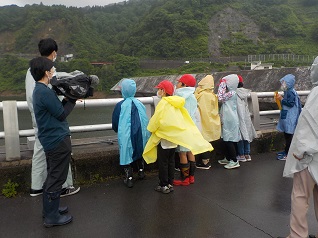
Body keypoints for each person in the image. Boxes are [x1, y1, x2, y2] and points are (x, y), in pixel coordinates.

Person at [25, 38, 80, 197]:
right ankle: (62, 186)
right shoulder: (47, 71)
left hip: (39, 118)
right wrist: (70, 98)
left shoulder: (32, 69)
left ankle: (37, 186)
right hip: (50, 119)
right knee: (60, 153)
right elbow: (53, 93)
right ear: (54, 52)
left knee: (40, 150)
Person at [143, 80, 213, 193]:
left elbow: (156, 120)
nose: (158, 91)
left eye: (159, 89)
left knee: (163, 163)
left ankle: (163, 185)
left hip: (164, 139)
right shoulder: (176, 102)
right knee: (171, 162)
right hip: (174, 140)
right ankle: (170, 183)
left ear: (163, 91)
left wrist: (150, 129)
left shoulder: (163, 103)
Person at [30, 56, 76, 227]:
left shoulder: (40, 90)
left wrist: (66, 98)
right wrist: (72, 98)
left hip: (50, 139)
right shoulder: (44, 92)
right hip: (57, 140)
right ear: (46, 72)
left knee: (52, 175)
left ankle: (51, 209)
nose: (54, 72)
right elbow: (61, 114)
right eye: (52, 69)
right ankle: (51, 217)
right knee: (57, 177)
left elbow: (55, 110)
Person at [277, 57, 318, 238]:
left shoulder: (316, 94)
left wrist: (300, 151)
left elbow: (308, 125)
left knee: (300, 195)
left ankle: (297, 235)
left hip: (310, 156)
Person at [112, 79, 150, 188]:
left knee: (126, 152)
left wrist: (117, 130)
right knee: (140, 150)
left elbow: (115, 122)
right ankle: (141, 171)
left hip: (127, 134)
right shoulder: (139, 103)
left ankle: (129, 177)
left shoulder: (120, 105)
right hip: (141, 134)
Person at [174, 74, 201, 186]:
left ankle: (184, 179)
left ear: (184, 85)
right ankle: (191, 177)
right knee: (190, 151)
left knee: (182, 153)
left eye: (179, 82)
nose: (177, 84)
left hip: (183, 127)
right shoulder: (193, 96)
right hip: (192, 126)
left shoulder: (179, 96)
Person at [194, 75, 221, 169]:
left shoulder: (202, 95)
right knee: (208, 140)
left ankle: (204, 162)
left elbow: (202, 110)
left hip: (204, 120)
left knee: (204, 140)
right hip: (211, 121)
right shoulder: (212, 94)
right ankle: (206, 161)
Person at [274, 74, 302, 161]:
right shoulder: (289, 91)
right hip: (288, 115)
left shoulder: (290, 92)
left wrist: (281, 99)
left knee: (289, 134)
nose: (283, 85)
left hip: (290, 116)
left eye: (284, 83)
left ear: (288, 83)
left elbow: (290, 103)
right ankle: (286, 151)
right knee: (287, 134)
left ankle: (288, 153)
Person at [217, 74, 241, 169]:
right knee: (230, 139)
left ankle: (234, 161)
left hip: (229, 119)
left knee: (229, 140)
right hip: (230, 118)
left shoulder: (231, 93)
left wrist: (222, 85)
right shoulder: (233, 92)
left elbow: (220, 97)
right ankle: (229, 158)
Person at [235, 75, 257, 162]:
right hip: (246, 115)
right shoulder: (244, 92)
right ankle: (247, 154)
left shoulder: (235, 93)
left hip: (239, 116)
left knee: (240, 136)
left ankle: (241, 155)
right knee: (246, 134)